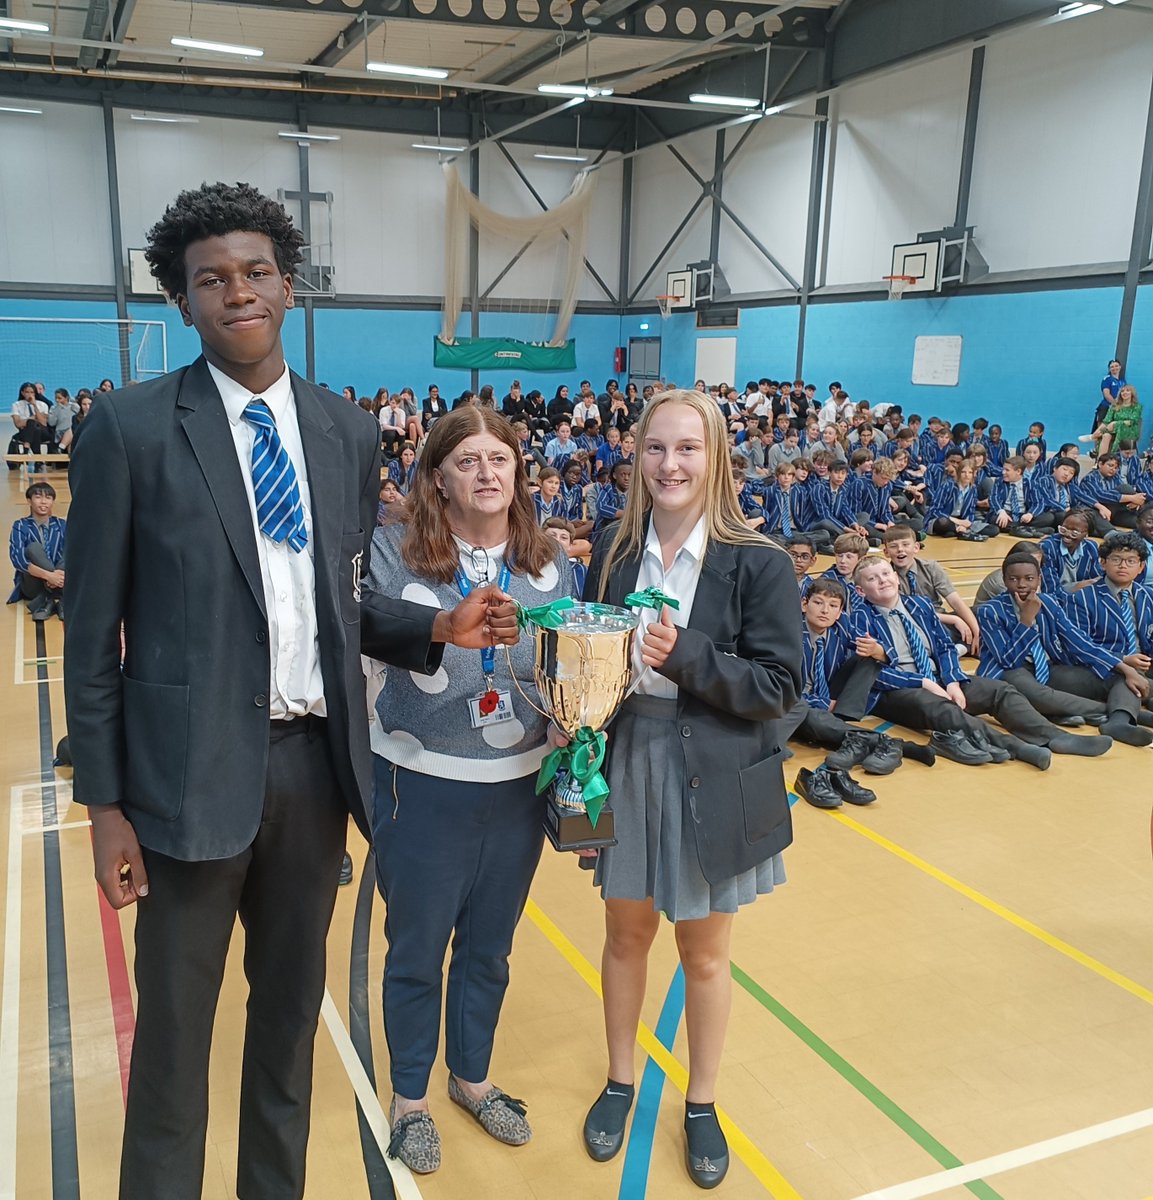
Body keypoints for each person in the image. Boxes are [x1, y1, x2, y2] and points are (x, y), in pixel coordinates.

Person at [63, 182, 519, 1200]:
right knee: (175, 1054)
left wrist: (432, 627)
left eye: (256, 272)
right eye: (211, 280)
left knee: (286, 1040)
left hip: (313, 780)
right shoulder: (131, 431)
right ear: (182, 303)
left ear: (289, 285)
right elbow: (90, 641)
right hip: (183, 790)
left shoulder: (345, 435)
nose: (238, 293)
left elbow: (339, 606)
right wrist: (103, 806)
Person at [580, 389, 800, 1188]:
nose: (669, 465)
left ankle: (700, 1101)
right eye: (654, 449)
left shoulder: (759, 560)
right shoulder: (611, 548)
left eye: (687, 449)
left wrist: (688, 657)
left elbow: (780, 686)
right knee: (624, 935)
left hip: (715, 768)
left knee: (704, 955)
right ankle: (619, 1078)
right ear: (636, 459)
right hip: (630, 757)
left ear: (716, 461)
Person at [363, 406, 572, 1175]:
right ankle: (410, 1097)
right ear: (437, 478)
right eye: (467, 461)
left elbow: (564, 663)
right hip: (420, 783)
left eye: (500, 459)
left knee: (489, 948)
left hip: (516, 787)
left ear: (518, 473)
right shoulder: (392, 554)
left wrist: (572, 722)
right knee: (416, 950)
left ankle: (471, 1078)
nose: (487, 473)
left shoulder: (549, 562)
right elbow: (370, 644)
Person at [849, 558, 1111, 766]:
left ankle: (1055, 737)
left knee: (1001, 690)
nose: (882, 580)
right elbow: (873, 674)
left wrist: (951, 680)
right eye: (872, 578)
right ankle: (1016, 747)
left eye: (886, 574)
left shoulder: (920, 605)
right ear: (861, 590)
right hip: (897, 690)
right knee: (944, 709)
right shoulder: (859, 619)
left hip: (939, 678)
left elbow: (944, 647)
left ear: (896, 577)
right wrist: (924, 682)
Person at [975, 554, 1115, 727]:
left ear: (1039, 579)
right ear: (1004, 580)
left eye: (1029, 578)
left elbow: (1077, 638)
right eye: (1014, 579)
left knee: (1103, 677)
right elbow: (1008, 660)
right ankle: (1108, 711)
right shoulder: (990, 611)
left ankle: (1057, 712)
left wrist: (1121, 664)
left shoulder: (1048, 602)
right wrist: (1026, 619)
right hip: (1008, 670)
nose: (1022, 584)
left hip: (1045, 667)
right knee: (1040, 695)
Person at [1061, 531, 1153, 744]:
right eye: (1116, 559)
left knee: (1137, 677)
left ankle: (1135, 710)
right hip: (1099, 668)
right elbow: (1078, 646)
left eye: (1131, 561)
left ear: (1141, 567)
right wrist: (1121, 659)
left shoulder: (1147, 595)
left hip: (1142, 662)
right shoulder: (1082, 598)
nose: (1123, 566)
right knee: (1126, 678)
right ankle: (1119, 721)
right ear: (1103, 563)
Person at [8, 481, 66, 620]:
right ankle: (59, 601)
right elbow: (19, 561)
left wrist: (57, 576)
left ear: (53, 501)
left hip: (61, 580)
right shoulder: (20, 525)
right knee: (33, 548)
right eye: (38, 497)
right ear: (29, 501)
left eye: (48, 498)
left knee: (72, 549)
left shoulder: (62, 524)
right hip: (34, 584)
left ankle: (50, 602)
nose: (43, 502)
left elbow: (73, 555)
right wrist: (49, 576)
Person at [11, 380, 50, 461]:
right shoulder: (16, 405)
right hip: (26, 433)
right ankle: (38, 459)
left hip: (43, 432)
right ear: (22, 393)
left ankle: (26, 447)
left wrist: (35, 406)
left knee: (36, 428)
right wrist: (34, 417)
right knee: (33, 426)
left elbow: (43, 423)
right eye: (27, 392)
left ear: (35, 393)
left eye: (32, 392)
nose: (30, 395)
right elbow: (18, 424)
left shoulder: (42, 405)